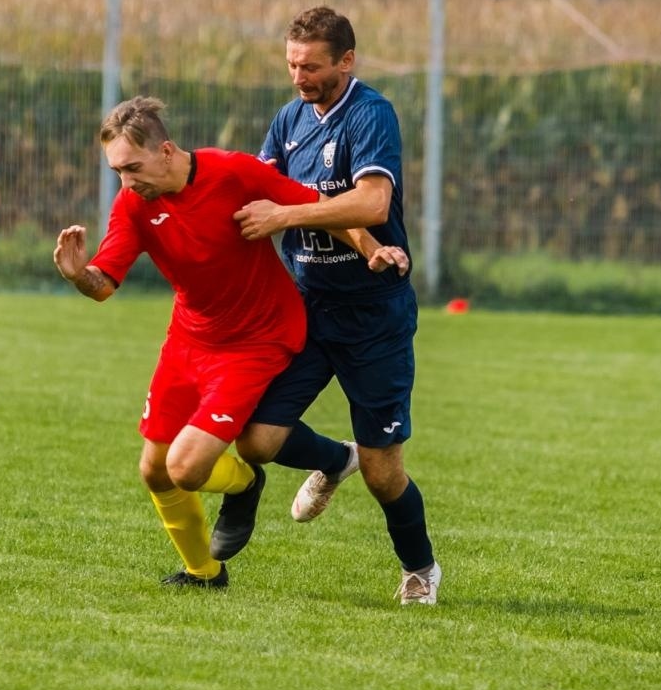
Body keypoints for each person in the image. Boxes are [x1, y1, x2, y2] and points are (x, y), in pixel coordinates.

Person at [54, 96, 401, 589]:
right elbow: (104, 284)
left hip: (258, 338)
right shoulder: (134, 204)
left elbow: (319, 209)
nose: (126, 182)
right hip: (190, 338)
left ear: (166, 151)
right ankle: (205, 572)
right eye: (117, 172)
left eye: (132, 168)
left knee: (185, 468)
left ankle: (246, 483)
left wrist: (371, 247)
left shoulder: (234, 173)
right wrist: (78, 276)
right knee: (154, 470)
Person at [228, 6, 443, 606]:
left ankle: (420, 569)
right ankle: (333, 459)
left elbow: (372, 203)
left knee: (384, 472)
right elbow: (259, 188)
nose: (299, 77)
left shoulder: (370, 114)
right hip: (306, 307)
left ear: (346, 61)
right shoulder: (289, 119)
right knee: (256, 439)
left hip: (374, 316)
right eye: (292, 64)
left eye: (312, 66)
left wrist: (289, 216)